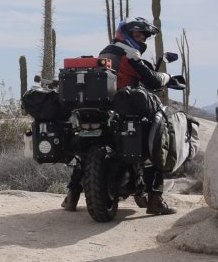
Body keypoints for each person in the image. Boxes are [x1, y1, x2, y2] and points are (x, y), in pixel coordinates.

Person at [61, 17, 186, 215]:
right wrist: (168, 77)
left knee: (84, 152)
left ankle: (71, 197)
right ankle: (155, 200)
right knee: (157, 143)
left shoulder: (106, 51)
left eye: (144, 36)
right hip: (125, 109)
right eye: (138, 34)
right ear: (126, 34)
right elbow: (152, 81)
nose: (142, 39)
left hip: (101, 112)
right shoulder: (130, 54)